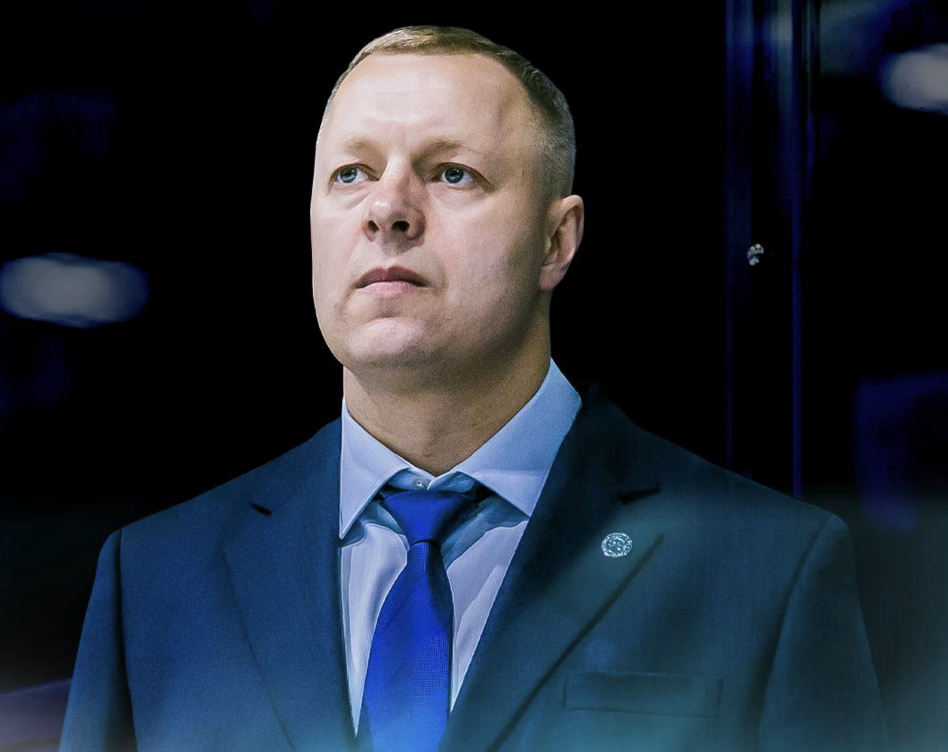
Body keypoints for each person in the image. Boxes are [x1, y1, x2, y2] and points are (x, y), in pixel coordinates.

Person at [59, 25, 888, 752]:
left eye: (452, 173)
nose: (387, 210)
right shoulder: (156, 581)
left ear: (556, 241)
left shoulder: (766, 572)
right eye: (350, 174)